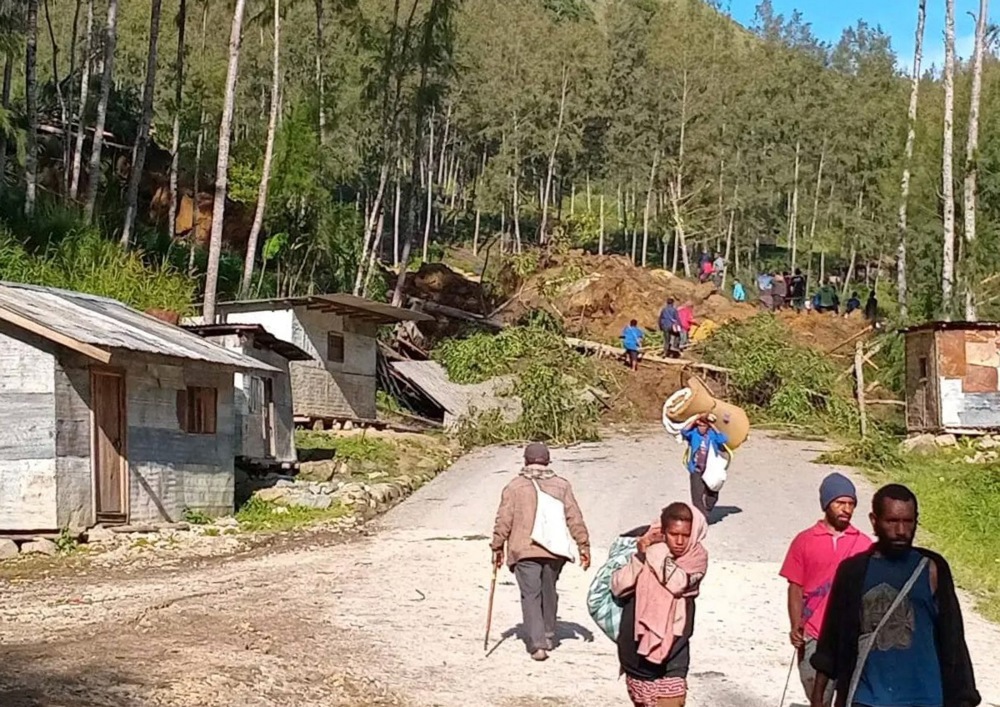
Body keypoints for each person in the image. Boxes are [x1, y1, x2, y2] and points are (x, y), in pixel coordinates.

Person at [810, 484, 981, 707]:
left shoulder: (932, 568)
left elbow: (953, 638)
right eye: (892, 521)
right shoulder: (853, 571)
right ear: (874, 520)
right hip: (866, 697)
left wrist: (964, 698)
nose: (901, 530)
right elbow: (832, 637)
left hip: (925, 698)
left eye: (908, 522)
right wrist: (818, 696)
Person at [491, 442, 591, 662]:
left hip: (524, 550)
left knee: (530, 595)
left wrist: (497, 546)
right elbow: (574, 517)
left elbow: (503, 520)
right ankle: (547, 633)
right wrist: (583, 544)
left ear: (526, 461)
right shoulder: (561, 486)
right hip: (554, 552)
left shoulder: (514, 487)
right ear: (547, 461)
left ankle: (537, 645)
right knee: (549, 590)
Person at [780, 473, 873, 707]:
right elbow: (795, 587)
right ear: (826, 504)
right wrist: (795, 626)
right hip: (813, 632)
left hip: (851, 634)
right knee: (816, 694)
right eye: (839, 503)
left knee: (847, 695)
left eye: (851, 504)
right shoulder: (804, 541)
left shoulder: (864, 545)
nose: (846, 509)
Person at [612, 502, 709, 707]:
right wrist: (640, 555)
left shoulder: (696, 559)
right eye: (674, 534)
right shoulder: (644, 553)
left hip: (675, 651)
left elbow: (678, 583)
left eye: (686, 535)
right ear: (664, 532)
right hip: (635, 651)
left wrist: (655, 552)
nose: (680, 541)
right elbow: (619, 586)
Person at [680, 414, 728, 517]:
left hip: (710, 469)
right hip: (696, 468)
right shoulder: (694, 434)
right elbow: (684, 431)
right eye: (700, 426)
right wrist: (695, 420)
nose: (701, 428)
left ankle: (707, 509)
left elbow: (723, 439)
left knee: (712, 494)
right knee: (696, 496)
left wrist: (713, 426)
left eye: (704, 426)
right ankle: (701, 517)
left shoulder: (712, 435)